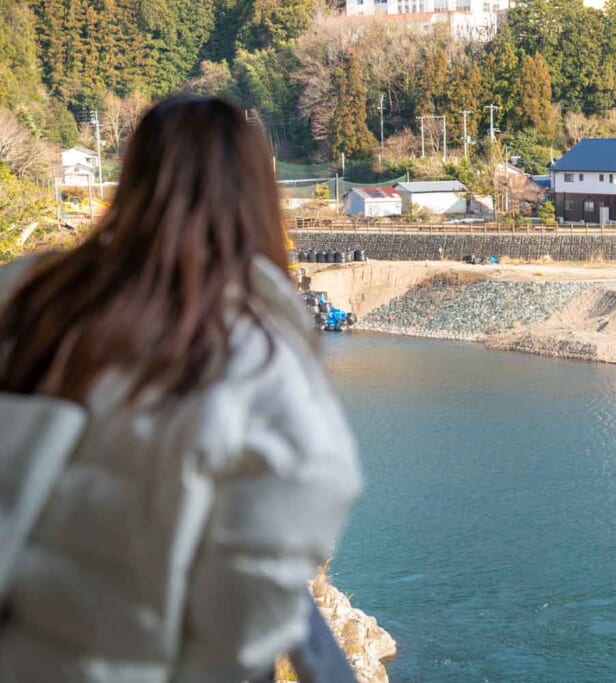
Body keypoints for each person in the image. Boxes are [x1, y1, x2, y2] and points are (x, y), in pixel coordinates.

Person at [0, 97, 362, 682]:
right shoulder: (254, 349)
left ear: (134, 181)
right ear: (257, 198)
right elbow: (295, 514)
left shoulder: (30, 296)